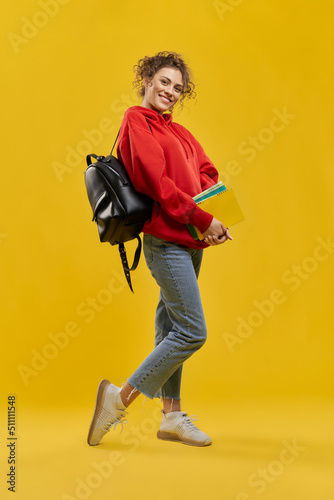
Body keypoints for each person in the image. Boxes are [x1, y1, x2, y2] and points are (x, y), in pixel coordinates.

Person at [87, 51, 232, 448]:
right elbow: (157, 184)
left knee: (170, 327)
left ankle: (171, 416)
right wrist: (203, 217)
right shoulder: (136, 120)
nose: (170, 91)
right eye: (164, 82)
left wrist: (210, 220)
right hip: (164, 240)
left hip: (190, 240)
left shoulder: (179, 133)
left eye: (178, 88)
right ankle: (118, 400)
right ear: (148, 80)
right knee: (191, 331)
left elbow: (208, 171)